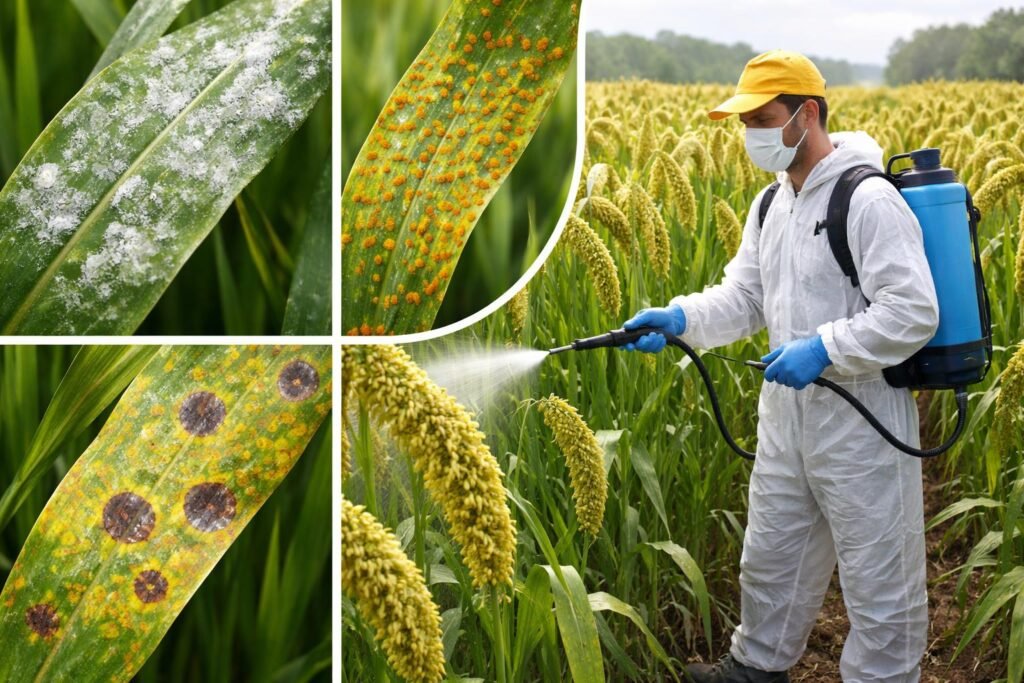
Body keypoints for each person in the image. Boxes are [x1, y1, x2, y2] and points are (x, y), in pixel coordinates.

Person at [622, 50, 939, 682]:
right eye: (743, 123)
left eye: (761, 118)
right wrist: (681, 317)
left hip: (862, 426)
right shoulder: (772, 203)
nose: (750, 136)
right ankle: (756, 668)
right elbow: (745, 297)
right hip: (787, 420)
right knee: (770, 557)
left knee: (879, 582)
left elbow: (913, 311)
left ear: (807, 113)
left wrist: (824, 348)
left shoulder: (867, 198)